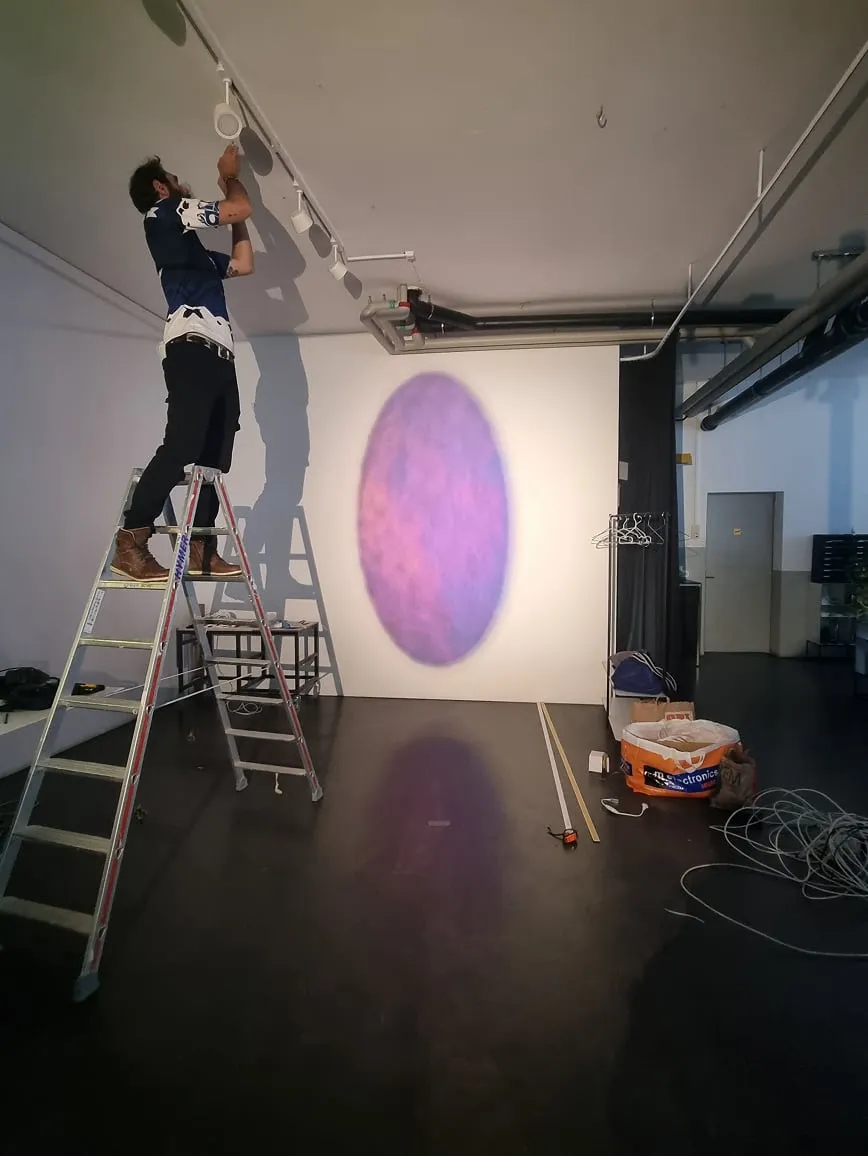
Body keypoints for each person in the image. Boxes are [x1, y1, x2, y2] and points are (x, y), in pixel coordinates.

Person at [113, 144, 255, 582]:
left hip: (220, 354)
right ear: (161, 188)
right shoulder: (164, 212)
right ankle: (130, 542)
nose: (180, 183)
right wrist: (229, 177)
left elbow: (244, 264)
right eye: (173, 178)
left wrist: (234, 208)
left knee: (214, 457)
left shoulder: (194, 255)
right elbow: (239, 207)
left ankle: (200, 548)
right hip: (191, 346)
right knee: (182, 445)